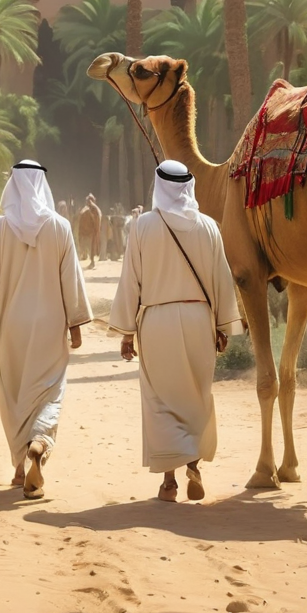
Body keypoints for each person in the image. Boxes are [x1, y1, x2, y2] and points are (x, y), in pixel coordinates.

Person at [110, 159, 242, 502]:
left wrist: (126, 331)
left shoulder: (142, 227)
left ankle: (169, 482)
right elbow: (221, 280)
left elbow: (131, 282)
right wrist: (222, 324)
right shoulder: (209, 227)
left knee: (160, 401)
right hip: (199, 321)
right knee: (196, 397)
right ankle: (194, 463)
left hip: (156, 323)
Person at [0, 160, 93, 499]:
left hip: (11, 324)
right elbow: (70, 280)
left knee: (14, 394)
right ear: (42, 185)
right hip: (50, 324)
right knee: (49, 390)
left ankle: (18, 467)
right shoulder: (60, 227)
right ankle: (39, 442)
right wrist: (76, 325)